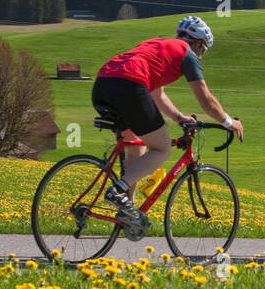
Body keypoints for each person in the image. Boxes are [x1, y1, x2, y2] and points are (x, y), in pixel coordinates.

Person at [91, 15, 243, 220]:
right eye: (204, 51)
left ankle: (129, 211)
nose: (201, 55)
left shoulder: (158, 45)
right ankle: (118, 190)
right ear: (199, 44)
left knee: (136, 144)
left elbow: (157, 94)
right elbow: (206, 100)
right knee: (162, 148)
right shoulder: (187, 55)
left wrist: (179, 117)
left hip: (102, 84)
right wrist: (229, 122)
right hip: (129, 85)